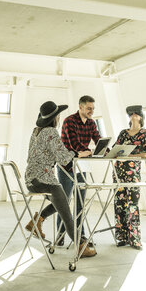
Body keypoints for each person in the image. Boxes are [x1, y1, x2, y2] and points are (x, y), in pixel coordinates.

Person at [24, 101, 96, 258]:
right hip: (43, 180)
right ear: (54, 118)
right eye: (58, 115)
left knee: (63, 200)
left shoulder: (36, 131)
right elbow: (64, 159)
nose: (59, 118)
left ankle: (37, 221)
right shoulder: (50, 131)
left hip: (31, 180)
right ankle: (80, 247)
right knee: (66, 212)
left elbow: (42, 154)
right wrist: (79, 154)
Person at [57, 95, 101, 246]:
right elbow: (74, 144)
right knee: (65, 201)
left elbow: (98, 138)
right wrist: (88, 152)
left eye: (93, 109)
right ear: (80, 107)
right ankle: (60, 235)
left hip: (82, 166)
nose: (91, 111)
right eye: (89, 108)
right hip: (66, 166)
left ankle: (80, 235)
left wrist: (106, 150)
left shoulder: (91, 123)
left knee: (81, 202)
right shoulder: (69, 121)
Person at [113, 105, 146, 250]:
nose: (133, 115)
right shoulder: (123, 133)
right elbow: (115, 151)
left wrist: (129, 156)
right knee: (119, 204)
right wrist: (123, 155)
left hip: (133, 173)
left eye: (135, 113)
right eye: (130, 114)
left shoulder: (145, 133)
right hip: (118, 171)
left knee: (132, 205)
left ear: (141, 116)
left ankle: (135, 239)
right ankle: (121, 237)